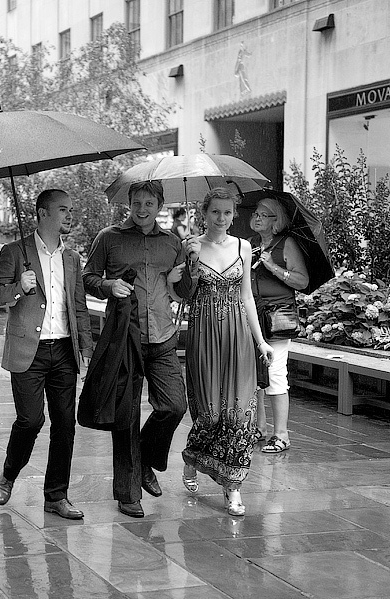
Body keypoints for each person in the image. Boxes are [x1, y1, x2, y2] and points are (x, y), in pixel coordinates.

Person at [83, 180, 188, 518]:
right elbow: (87, 277)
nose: (142, 210)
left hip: (163, 335)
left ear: (160, 206)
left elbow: (184, 291)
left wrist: (188, 273)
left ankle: (143, 459)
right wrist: (107, 285)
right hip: (124, 337)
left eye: (149, 204)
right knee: (126, 414)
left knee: (174, 405)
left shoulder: (173, 244)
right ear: (128, 203)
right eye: (137, 203)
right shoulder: (108, 238)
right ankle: (128, 493)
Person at [0, 189, 93, 520]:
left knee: (65, 424)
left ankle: (56, 495)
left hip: (63, 349)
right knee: (31, 420)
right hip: (27, 351)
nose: (69, 215)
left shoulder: (72, 258)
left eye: (71, 209)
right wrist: (20, 286)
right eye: (63, 209)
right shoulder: (14, 252)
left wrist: (85, 349)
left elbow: (78, 306)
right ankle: (9, 474)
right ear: (43, 213)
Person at [174, 187, 274, 517]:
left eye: (227, 212)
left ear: (234, 215)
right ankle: (193, 459)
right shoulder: (191, 246)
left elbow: (246, 297)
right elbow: (182, 295)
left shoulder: (243, 247)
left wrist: (260, 341)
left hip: (238, 336)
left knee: (238, 413)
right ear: (204, 213)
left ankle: (232, 488)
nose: (221, 218)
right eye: (215, 212)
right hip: (203, 333)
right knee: (210, 413)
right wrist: (188, 265)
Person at [250, 197, 310, 454]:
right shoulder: (251, 244)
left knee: (274, 372)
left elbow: (302, 281)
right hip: (253, 314)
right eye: (256, 213)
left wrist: (272, 267)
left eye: (264, 214)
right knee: (255, 374)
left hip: (277, 317)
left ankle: (281, 434)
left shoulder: (287, 244)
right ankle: (259, 427)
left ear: (276, 221)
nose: (257, 217)